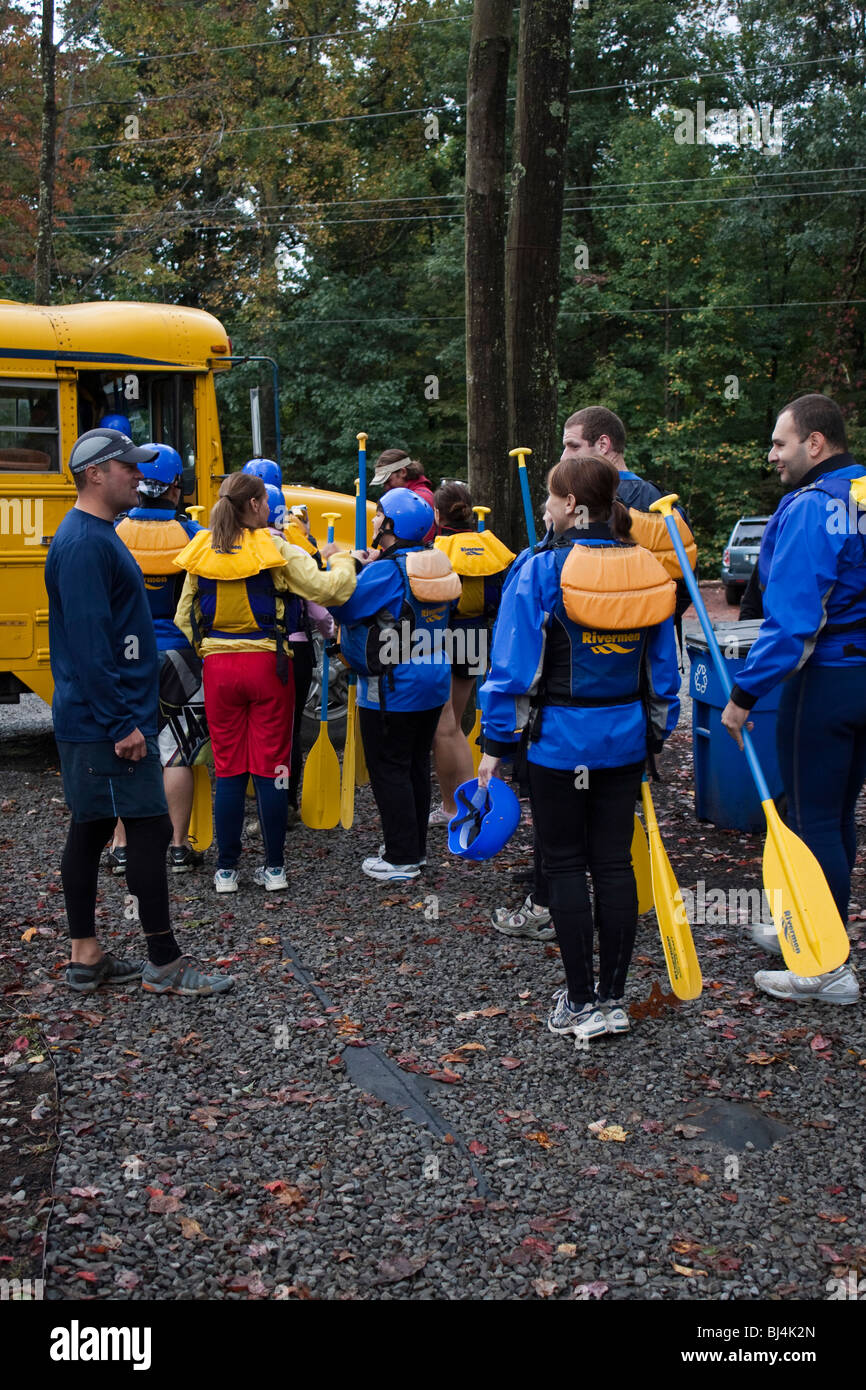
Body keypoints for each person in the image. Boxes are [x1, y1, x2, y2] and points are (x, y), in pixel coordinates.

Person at [478, 455, 680, 1044]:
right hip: (623, 741)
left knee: (564, 861)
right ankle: (614, 999)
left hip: (558, 745)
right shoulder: (648, 567)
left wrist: (496, 744)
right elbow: (663, 671)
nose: (544, 509)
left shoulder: (541, 570)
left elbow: (511, 668)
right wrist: (655, 736)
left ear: (571, 505)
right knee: (614, 861)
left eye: (549, 499)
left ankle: (581, 1002)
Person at [46, 426, 233, 997]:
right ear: (96, 474)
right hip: (107, 723)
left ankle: (87, 956)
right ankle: (164, 961)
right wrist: (121, 722)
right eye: (128, 466)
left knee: (93, 826)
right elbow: (88, 643)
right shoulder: (84, 543)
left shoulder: (96, 535)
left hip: (101, 719)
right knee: (149, 830)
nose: (139, 475)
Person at [721, 393, 865, 1006]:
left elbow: (793, 622)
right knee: (835, 813)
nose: (772, 454)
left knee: (808, 821)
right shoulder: (860, 493)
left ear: (815, 443)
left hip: (828, 681)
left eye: (780, 443)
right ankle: (808, 928)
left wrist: (745, 693)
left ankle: (823, 963)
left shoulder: (812, 507)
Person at [173, 471, 364, 892]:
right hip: (269, 667)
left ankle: (226, 871)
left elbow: (184, 617)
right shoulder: (276, 547)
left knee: (229, 768)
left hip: (219, 671)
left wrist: (212, 650)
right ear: (258, 505)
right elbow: (328, 590)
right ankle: (274, 869)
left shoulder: (200, 547)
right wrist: (347, 558)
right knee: (273, 766)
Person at [331, 487, 461, 881]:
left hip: (393, 687)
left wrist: (352, 565)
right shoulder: (435, 562)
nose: (373, 521)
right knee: (415, 766)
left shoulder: (387, 571)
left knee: (389, 769)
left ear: (390, 525)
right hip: (433, 679)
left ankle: (402, 858)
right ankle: (413, 849)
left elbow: (343, 604)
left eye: (378, 516)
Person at [110, 444, 206, 874]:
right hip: (182, 655)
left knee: (126, 749)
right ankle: (178, 847)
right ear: (175, 489)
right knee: (178, 752)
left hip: (126, 654)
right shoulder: (195, 536)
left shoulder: (111, 532)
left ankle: (121, 845)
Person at [561, 406, 696, 646]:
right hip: (648, 647)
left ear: (603, 445)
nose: (564, 457)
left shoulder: (578, 505)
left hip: (585, 648)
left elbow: (557, 574)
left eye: (573, 446)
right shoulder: (661, 500)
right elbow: (686, 584)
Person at [429, 481, 514, 822]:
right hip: (477, 635)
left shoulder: (436, 549)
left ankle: (459, 806)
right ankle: (455, 801)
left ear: (437, 514)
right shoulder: (488, 547)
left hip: (443, 638)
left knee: (444, 729)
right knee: (452, 726)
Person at [261, 485, 336, 821]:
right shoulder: (294, 551)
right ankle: (286, 801)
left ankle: (261, 797)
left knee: (260, 729)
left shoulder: (235, 549)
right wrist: (333, 636)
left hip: (252, 650)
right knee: (288, 729)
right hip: (296, 652)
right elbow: (317, 610)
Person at [371, 448, 436, 543]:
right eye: (383, 483)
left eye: (388, 481)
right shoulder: (410, 498)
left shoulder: (419, 500)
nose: (386, 488)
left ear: (403, 472)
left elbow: (417, 546)